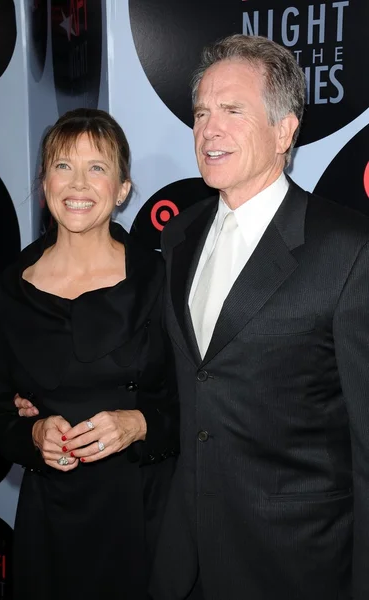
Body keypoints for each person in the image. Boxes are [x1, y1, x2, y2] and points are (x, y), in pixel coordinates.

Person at [147, 34, 369, 600]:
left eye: (232, 111)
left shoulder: (347, 248)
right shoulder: (178, 236)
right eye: (201, 112)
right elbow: (189, 384)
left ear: (285, 130)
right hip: (186, 562)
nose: (208, 129)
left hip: (296, 565)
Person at [0, 108, 178, 600]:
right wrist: (34, 434)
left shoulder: (161, 280)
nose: (78, 183)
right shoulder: (7, 294)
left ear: (123, 189)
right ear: (45, 181)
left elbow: (197, 405)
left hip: (145, 515)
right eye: (63, 165)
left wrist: (138, 423)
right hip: (52, 523)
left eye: (98, 167)